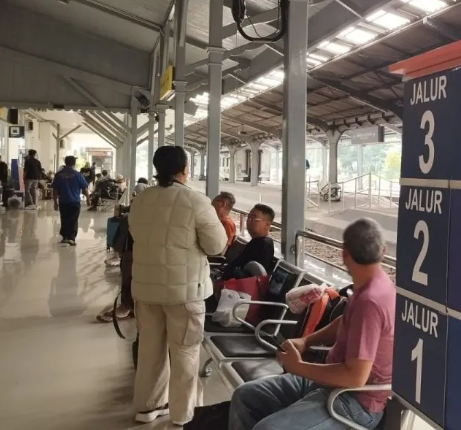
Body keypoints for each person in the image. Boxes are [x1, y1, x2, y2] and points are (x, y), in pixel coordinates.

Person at [228, 218, 395, 430]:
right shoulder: (370, 285)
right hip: (329, 385)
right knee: (245, 397)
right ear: (383, 251)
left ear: (344, 254)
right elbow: (344, 322)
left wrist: (298, 367)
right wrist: (305, 341)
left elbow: (355, 377)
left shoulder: (371, 301)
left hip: (354, 402)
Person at [128, 146, 227, 426]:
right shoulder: (196, 201)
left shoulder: (141, 199)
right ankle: (184, 415)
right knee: (185, 352)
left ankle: (147, 407)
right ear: (185, 168)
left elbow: (136, 235)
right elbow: (216, 245)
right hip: (185, 292)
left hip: (146, 290)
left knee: (149, 351)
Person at [222, 204, 276, 280]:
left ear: (267, 225)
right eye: (249, 217)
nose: (249, 221)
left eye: (254, 218)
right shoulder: (256, 242)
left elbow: (253, 277)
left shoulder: (263, 246)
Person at [51, 157, 89, 246]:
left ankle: (65, 237)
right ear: (74, 163)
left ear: (65, 162)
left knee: (64, 218)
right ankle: (71, 238)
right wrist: (88, 198)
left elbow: (55, 189)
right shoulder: (78, 174)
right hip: (74, 201)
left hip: (63, 201)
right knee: (73, 219)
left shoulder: (58, 175)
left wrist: (55, 202)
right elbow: (84, 188)